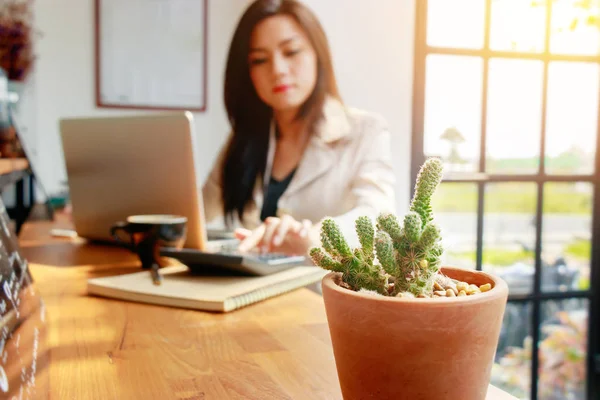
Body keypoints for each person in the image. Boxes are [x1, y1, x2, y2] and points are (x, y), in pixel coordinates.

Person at [202, 0, 396, 256]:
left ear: (318, 54)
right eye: (259, 60)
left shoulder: (366, 131)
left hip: (322, 293)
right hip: (252, 292)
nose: (278, 70)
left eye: (291, 52)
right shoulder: (243, 141)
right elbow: (195, 212)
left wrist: (312, 237)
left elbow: (378, 217)